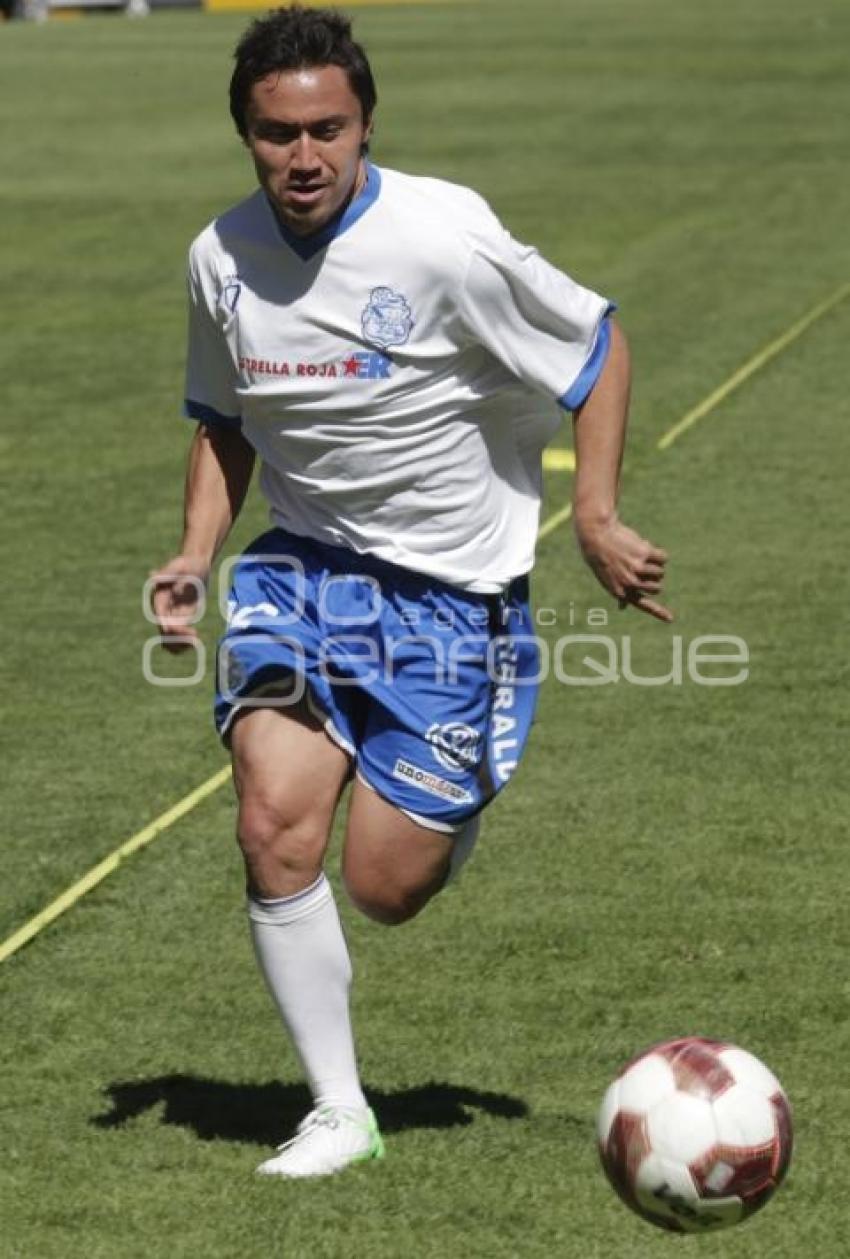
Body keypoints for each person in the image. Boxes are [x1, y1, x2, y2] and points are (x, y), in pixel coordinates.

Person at [151, 4, 670, 1179]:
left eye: (327, 128)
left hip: (453, 600)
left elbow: (596, 349)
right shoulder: (218, 258)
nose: (304, 157)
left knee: (384, 887)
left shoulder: (446, 240)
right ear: (246, 134)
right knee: (272, 818)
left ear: (366, 123)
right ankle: (340, 1108)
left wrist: (590, 515)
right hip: (303, 574)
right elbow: (223, 422)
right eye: (277, 134)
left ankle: (448, 790)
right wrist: (193, 552)